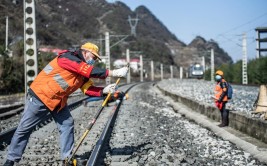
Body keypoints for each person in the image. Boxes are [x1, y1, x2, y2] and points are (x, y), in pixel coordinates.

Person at [3, 42, 128, 166]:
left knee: (67, 123)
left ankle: (66, 158)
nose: (94, 60)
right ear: (85, 52)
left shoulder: (83, 70)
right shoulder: (67, 58)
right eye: (94, 57)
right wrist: (114, 73)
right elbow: (88, 70)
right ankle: (10, 160)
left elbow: (87, 89)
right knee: (25, 128)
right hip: (41, 96)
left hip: (57, 101)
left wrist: (104, 91)